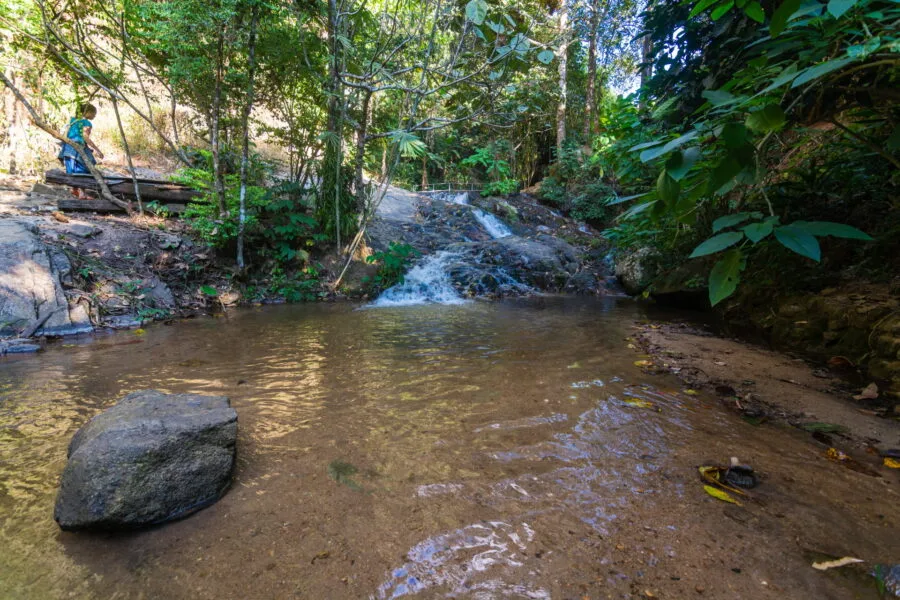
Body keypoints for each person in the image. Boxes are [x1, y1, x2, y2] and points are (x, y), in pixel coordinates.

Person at [58, 103, 105, 197]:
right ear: (87, 112)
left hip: (68, 149)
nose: (95, 115)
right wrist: (97, 150)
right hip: (78, 149)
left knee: (72, 170)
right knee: (83, 170)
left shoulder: (73, 121)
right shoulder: (86, 123)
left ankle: (75, 191)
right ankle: (82, 193)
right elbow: (85, 137)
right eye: (94, 113)